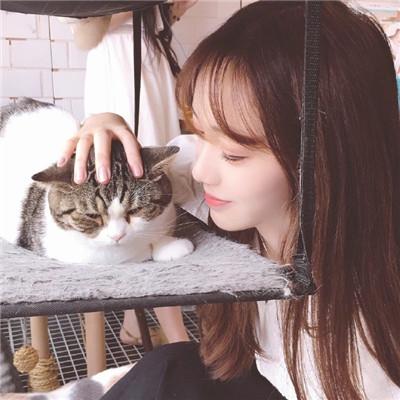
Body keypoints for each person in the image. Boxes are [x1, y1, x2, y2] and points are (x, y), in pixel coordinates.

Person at [57, 2, 400, 399]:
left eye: (234, 155)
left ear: (325, 153)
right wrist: (104, 124)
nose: (203, 171)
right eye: (201, 134)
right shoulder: (231, 194)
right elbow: (168, 169)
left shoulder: (369, 325)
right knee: (170, 368)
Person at [62, 2, 197, 347]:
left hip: (150, 58)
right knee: (132, 188)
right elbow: (87, 26)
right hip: (120, 65)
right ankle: (171, 335)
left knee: (158, 182)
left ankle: (135, 323)